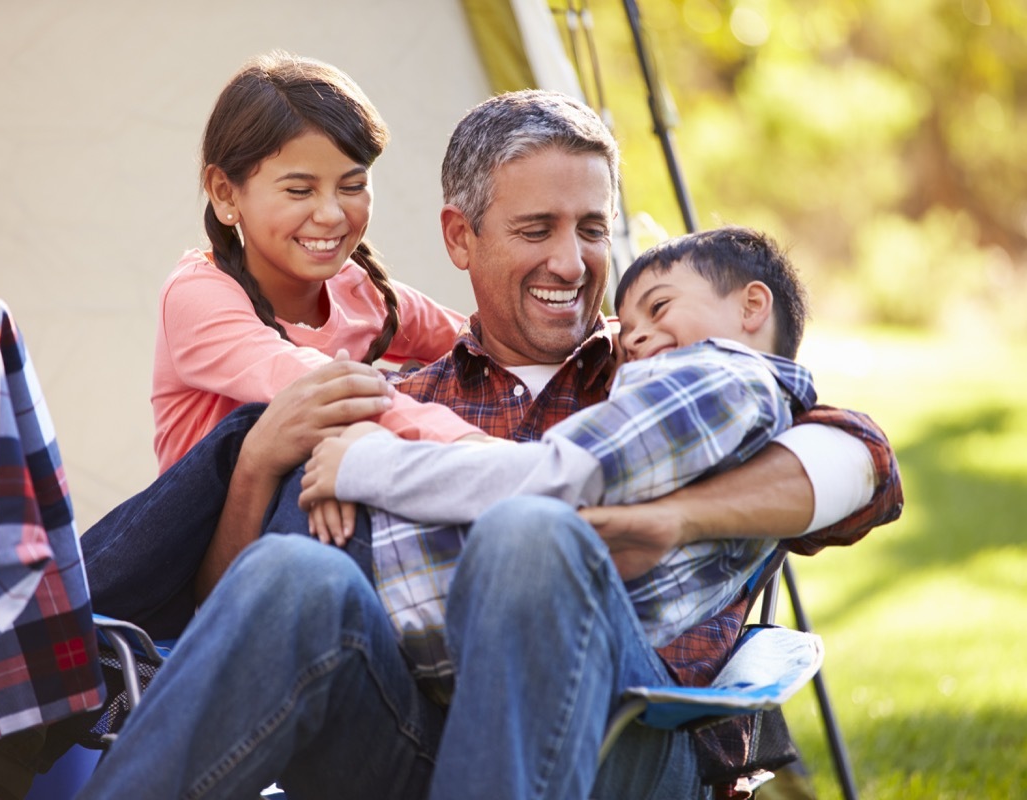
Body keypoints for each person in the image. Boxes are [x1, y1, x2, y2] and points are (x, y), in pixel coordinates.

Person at [77, 91, 902, 799]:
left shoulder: (661, 374)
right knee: (292, 574)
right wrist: (258, 465)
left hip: (632, 735)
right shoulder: (399, 406)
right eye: (536, 228)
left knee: (530, 532)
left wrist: (676, 517)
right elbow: (224, 616)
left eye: (592, 229)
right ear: (460, 238)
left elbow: (865, 460)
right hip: (414, 736)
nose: (571, 263)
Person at [295, 226, 815, 691]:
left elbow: (555, 478)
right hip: (459, 633)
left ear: (752, 306)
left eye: (658, 307)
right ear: (461, 236)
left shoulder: (719, 381)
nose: (632, 338)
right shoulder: (748, 420)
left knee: (283, 557)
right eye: (534, 230)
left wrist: (364, 463)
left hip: (444, 605)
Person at [152, 49, 481, 475]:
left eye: (352, 185)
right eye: (299, 190)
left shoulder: (361, 291)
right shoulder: (197, 296)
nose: (330, 214)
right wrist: (472, 445)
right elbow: (321, 388)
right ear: (225, 193)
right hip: (216, 515)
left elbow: (484, 345)